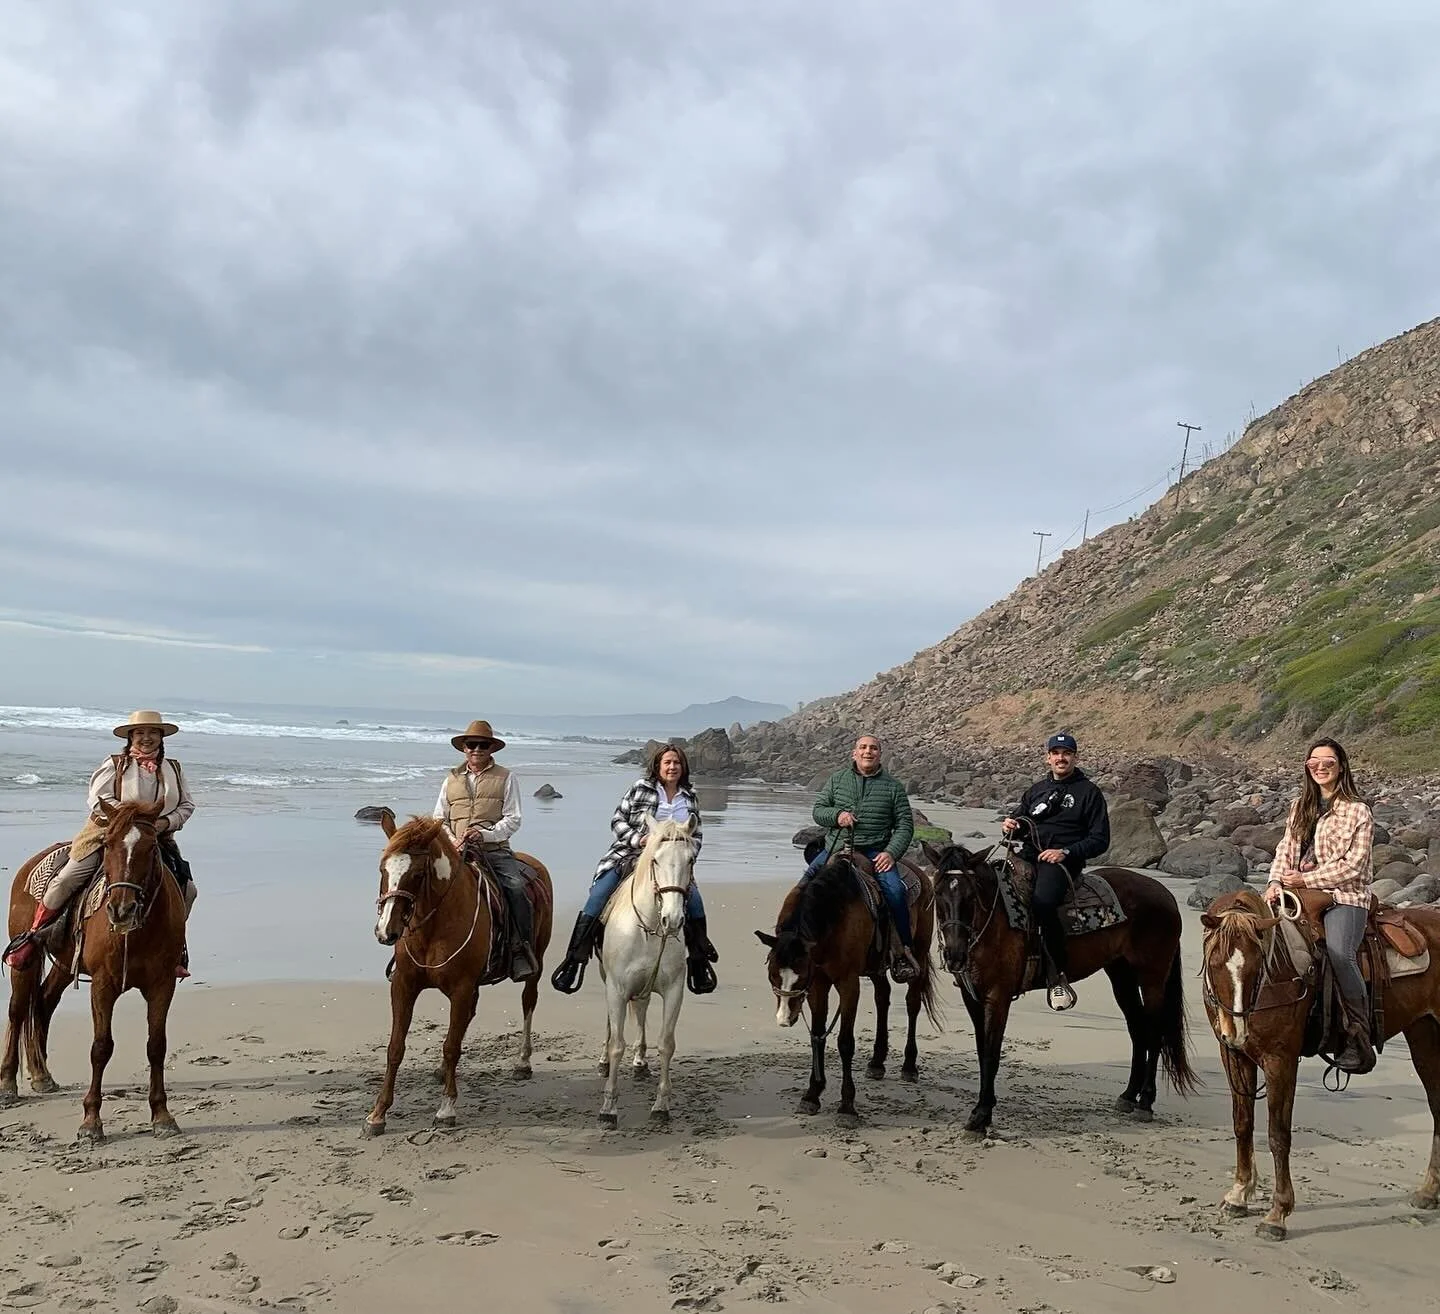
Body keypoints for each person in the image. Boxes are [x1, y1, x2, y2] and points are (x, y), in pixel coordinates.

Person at [4, 710, 197, 977]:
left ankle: (173, 950)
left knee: (187, 889)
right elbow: (98, 799)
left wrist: (165, 823)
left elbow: (186, 805)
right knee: (67, 878)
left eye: (153, 733)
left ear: (161, 737)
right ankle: (34, 936)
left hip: (155, 838)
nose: (146, 738)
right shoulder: (115, 764)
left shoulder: (173, 768)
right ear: (131, 737)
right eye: (140, 733)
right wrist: (127, 820)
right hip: (107, 833)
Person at [550, 744, 718, 995]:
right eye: (667, 763)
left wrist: (685, 858)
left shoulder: (690, 796)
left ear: (683, 767)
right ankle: (574, 959)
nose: (672, 767)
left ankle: (698, 962)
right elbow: (618, 819)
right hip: (630, 856)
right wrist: (637, 840)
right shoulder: (641, 789)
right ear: (658, 766)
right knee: (597, 897)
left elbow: (697, 834)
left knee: (695, 905)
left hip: (671, 865)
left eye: (677, 763)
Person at [1264, 737, 1376, 1075]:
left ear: (1341, 765)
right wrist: (1274, 882)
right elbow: (1286, 848)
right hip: (1296, 892)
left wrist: (1304, 881)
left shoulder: (1358, 810)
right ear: (1307, 766)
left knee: (1341, 953)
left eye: (1328, 760)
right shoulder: (1301, 805)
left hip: (1346, 896)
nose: (1321, 765)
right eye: (1315, 760)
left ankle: (1358, 1035)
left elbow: (1354, 866)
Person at [1002, 731, 1110, 1012]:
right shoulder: (1036, 789)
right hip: (1028, 854)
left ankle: (1057, 977)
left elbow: (1100, 840)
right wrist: (1011, 825)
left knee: (1043, 902)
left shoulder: (1089, 793)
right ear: (1048, 757)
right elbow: (1022, 819)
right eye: (1056, 753)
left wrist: (1066, 851)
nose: (1061, 758)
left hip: (1063, 860)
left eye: (1067, 753)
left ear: (1075, 757)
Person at [799, 734, 919, 984]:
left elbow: (905, 825)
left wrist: (891, 853)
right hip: (836, 847)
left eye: (873, 748)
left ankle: (902, 951)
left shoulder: (893, 787)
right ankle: (791, 942)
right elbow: (818, 810)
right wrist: (837, 815)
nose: (868, 752)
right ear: (854, 753)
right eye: (863, 748)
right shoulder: (837, 780)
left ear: (880, 754)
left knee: (896, 891)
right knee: (803, 887)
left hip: (876, 851)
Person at [432, 719, 538, 982]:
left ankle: (519, 950)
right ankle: (407, 948)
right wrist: (452, 840)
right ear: (464, 749)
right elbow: (439, 818)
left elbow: (513, 818)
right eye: (472, 744)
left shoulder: (506, 777)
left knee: (515, 887)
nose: (477, 749)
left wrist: (485, 834)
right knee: (421, 883)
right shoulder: (451, 779)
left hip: (493, 850)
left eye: (483, 745)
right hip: (455, 850)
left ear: (491, 748)